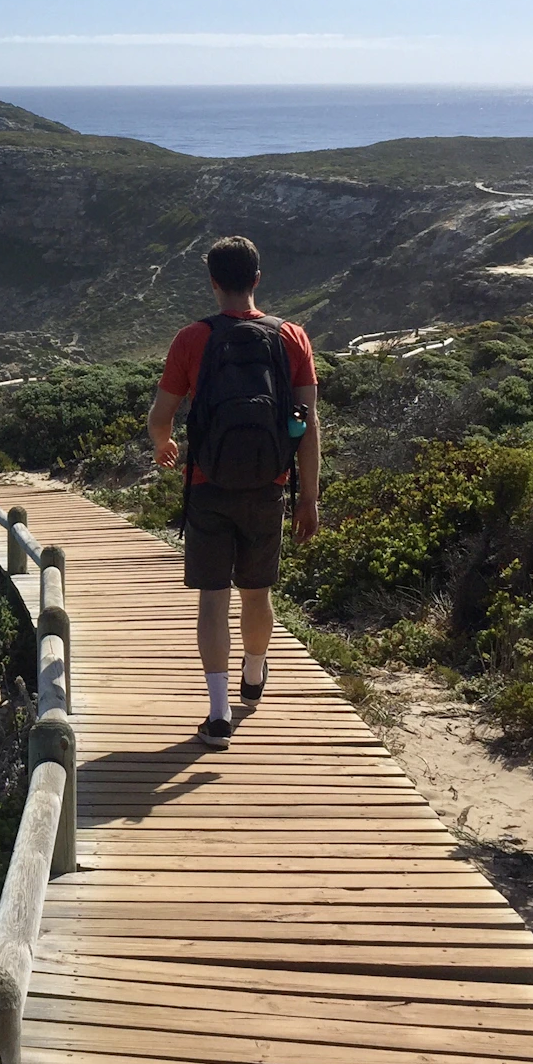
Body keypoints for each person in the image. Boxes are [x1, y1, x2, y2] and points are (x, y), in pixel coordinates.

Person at [147, 236, 321, 750]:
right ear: (258, 280)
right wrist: (308, 497)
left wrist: (164, 444)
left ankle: (218, 714)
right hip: (270, 487)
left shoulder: (190, 339)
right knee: (257, 593)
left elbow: (161, 416)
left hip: (207, 486)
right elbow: (307, 423)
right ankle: (254, 669)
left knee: (213, 600)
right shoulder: (291, 337)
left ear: (213, 282)